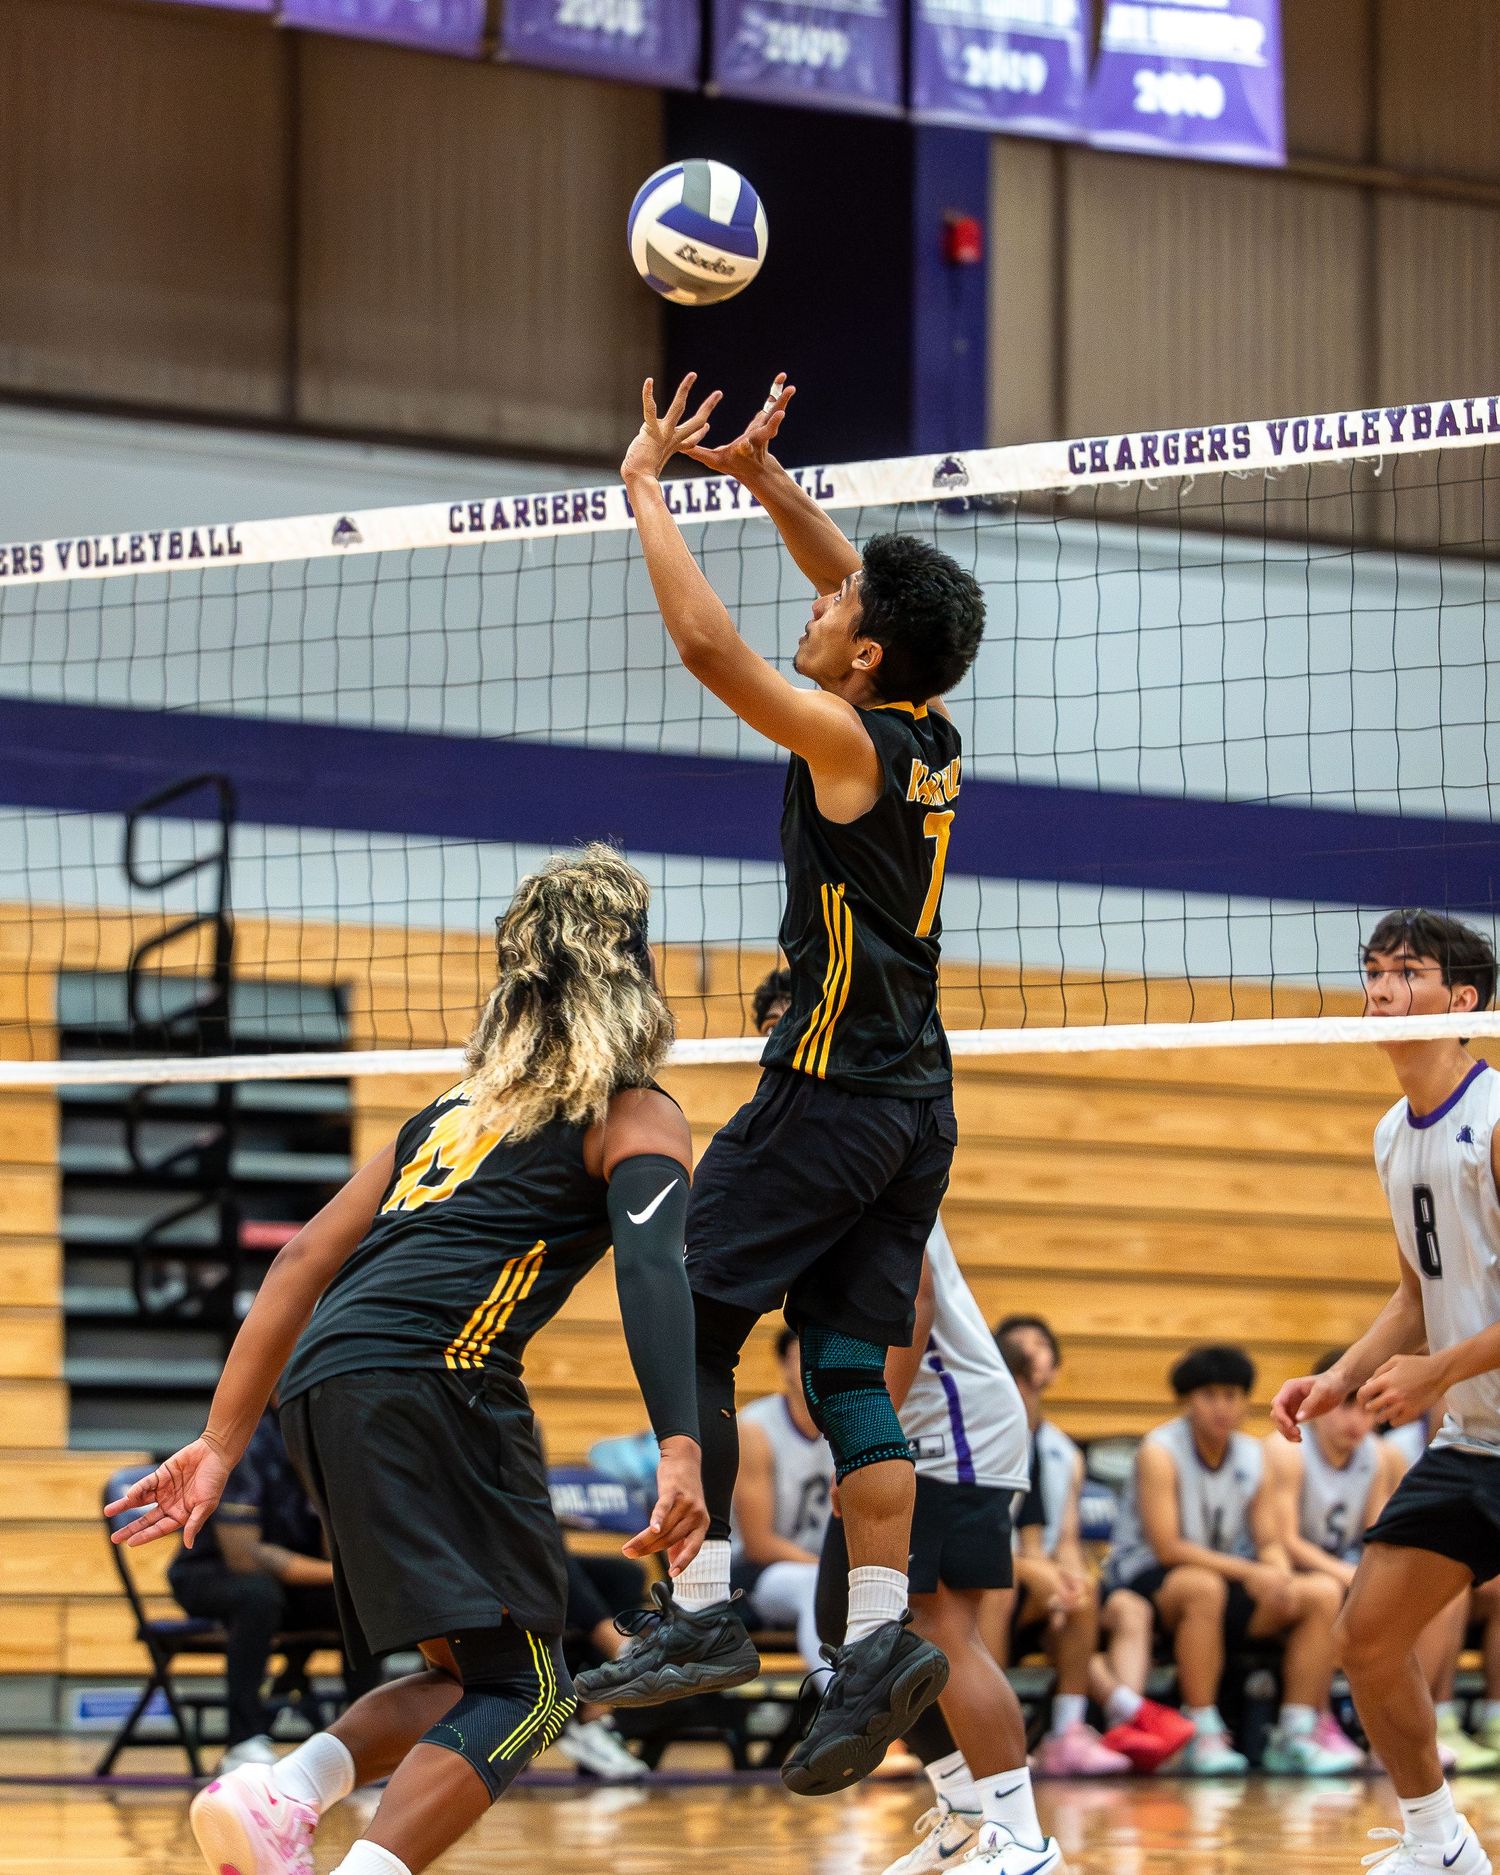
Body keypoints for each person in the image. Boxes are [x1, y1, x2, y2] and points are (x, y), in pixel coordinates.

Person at [107, 846, 708, 1875]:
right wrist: (682, 1444)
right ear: (630, 971)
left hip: (323, 1382)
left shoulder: (448, 1118)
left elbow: (299, 1259)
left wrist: (219, 1442)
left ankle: (280, 1794)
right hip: (438, 1380)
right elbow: (655, 1273)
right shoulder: (635, 1112)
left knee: (474, 1673)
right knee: (536, 1691)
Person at [576, 373, 986, 1797]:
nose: (818, 604)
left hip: (823, 1097)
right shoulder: (924, 723)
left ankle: (693, 1610)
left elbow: (706, 644)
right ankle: (874, 1643)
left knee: (680, 1294)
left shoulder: (844, 736)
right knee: (839, 1370)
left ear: (865, 660)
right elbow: (851, 584)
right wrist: (758, 478)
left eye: (836, 616)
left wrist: (644, 486)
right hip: (917, 1107)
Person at [1274, 909, 1500, 1873]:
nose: (1379, 987)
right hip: (1477, 1442)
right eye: (1371, 969)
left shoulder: (1495, 1123)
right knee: (1366, 1637)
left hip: (1464, 1405)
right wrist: (1340, 1377)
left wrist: (1438, 1371)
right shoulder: (1389, 1134)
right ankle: (1437, 1841)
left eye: (1404, 972)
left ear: (1464, 1001)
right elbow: (1420, 1293)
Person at [822, 1218, 1064, 1875]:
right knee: (844, 1618)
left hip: (953, 1431)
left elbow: (915, 1294)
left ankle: (1018, 1835)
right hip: (904, 1425)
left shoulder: (863, 1158)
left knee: (937, 1625)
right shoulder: (803, 1170)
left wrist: (873, 1437)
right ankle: (963, 1812)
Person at [1104, 1345, 1356, 1775]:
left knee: (1320, 1592)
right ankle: (1203, 1731)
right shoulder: (1159, 1451)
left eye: (1233, 1396)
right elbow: (1168, 1547)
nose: (1223, 1407)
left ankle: (1296, 1732)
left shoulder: (1252, 1455)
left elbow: (1270, 1539)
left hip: (1223, 1579)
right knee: (1202, 1587)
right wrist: (1252, 1570)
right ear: (1188, 1400)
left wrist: (1276, 1573)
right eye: (1211, 1395)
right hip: (1147, 1579)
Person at [994, 1315, 1192, 1774]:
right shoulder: (984, 1437)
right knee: (999, 1582)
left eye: (1039, 1350)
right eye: (1020, 1356)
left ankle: (1075, 1731)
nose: (1032, 1361)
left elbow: (1058, 1538)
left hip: (1028, 1578)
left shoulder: (1059, 1451)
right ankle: (1128, 1711)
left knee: (1087, 1590)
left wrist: (1061, 1583)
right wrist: (1041, 1574)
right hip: (986, 1580)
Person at [168, 1405, 378, 1771]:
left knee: (360, 1601)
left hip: (291, 1582)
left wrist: (331, 1486)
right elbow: (244, 1557)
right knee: (258, 1595)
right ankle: (243, 1742)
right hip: (212, 1573)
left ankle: (369, 1744)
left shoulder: (334, 1438)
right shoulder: (246, 1438)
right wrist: (338, 1576)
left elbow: (339, 1549)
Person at [732, 1325, 835, 1680]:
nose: (816, 1364)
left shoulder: (851, 1425)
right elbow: (759, 1545)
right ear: (783, 1362)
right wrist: (833, 1570)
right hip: (752, 1574)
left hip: (824, 1567)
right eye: (804, 1354)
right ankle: (842, 1703)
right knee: (816, 1586)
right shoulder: (755, 1429)